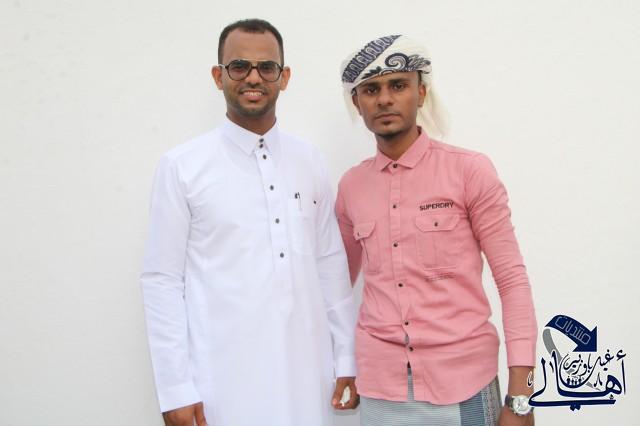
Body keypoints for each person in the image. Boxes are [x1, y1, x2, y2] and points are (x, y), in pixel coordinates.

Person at [141, 19, 358, 426]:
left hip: (308, 378)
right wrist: (175, 388)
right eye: (239, 66)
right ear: (218, 76)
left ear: (284, 77)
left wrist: (346, 357)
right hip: (221, 384)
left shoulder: (309, 161)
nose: (253, 78)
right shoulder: (182, 167)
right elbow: (162, 280)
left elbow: (330, 263)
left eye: (267, 67)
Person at [335, 35, 537, 425]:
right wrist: (342, 363)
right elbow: (337, 285)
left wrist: (521, 397)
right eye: (371, 90)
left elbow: (512, 281)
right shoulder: (351, 187)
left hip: (464, 385)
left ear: (421, 93)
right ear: (357, 103)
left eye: (398, 85)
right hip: (380, 391)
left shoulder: (469, 171)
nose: (385, 99)